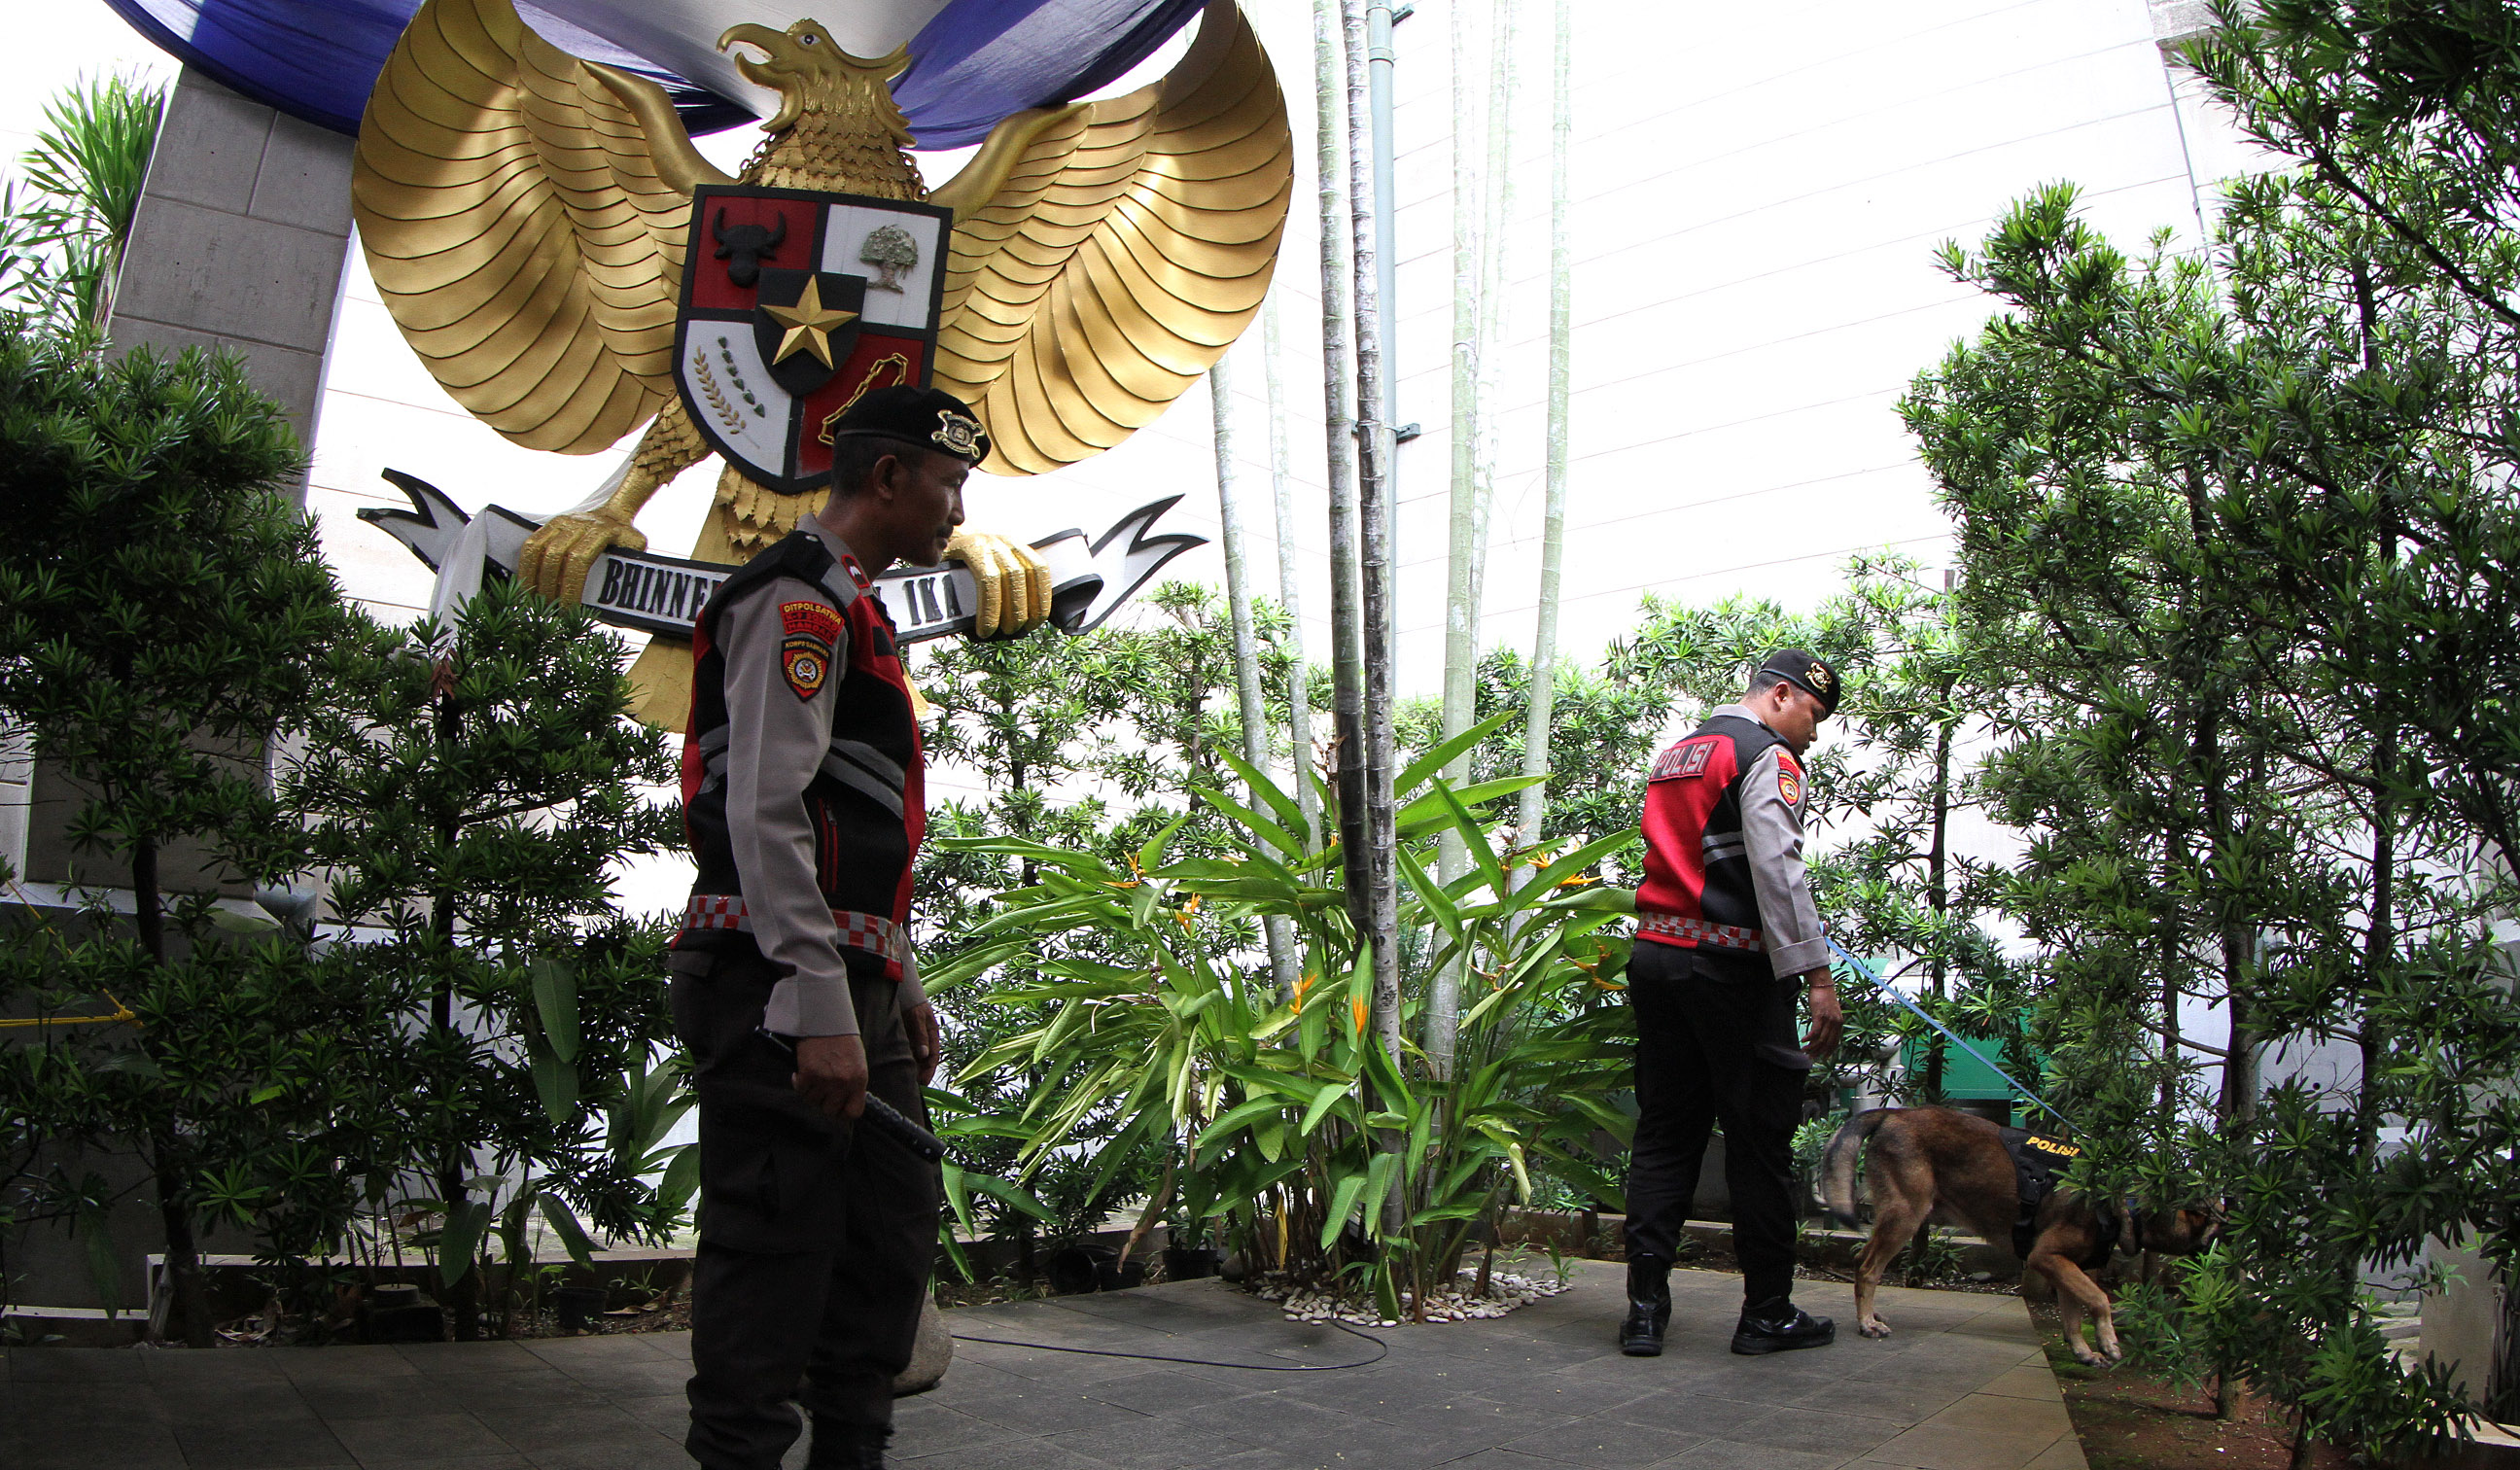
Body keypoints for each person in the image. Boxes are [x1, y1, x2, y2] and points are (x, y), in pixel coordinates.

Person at [666, 385, 986, 1470]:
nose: (956, 511)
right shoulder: (794, 598)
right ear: (888, 477)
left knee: (886, 1249)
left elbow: (854, 829)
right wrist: (815, 1002)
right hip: (774, 981)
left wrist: (893, 980)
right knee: (774, 1260)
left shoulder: (854, 605)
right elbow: (766, 807)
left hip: (845, 981)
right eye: (947, 485)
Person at [1619, 649, 1846, 1358]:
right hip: (1730, 968)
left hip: (1657, 959)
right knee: (1760, 1139)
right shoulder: (1764, 756)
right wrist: (1815, 975)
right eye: (1813, 714)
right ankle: (1767, 1313)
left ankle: (1644, 1314)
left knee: (1665, 1133)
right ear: (1782, 695)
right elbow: (1778, 868)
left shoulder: (1677, 752)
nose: (1813, 733)